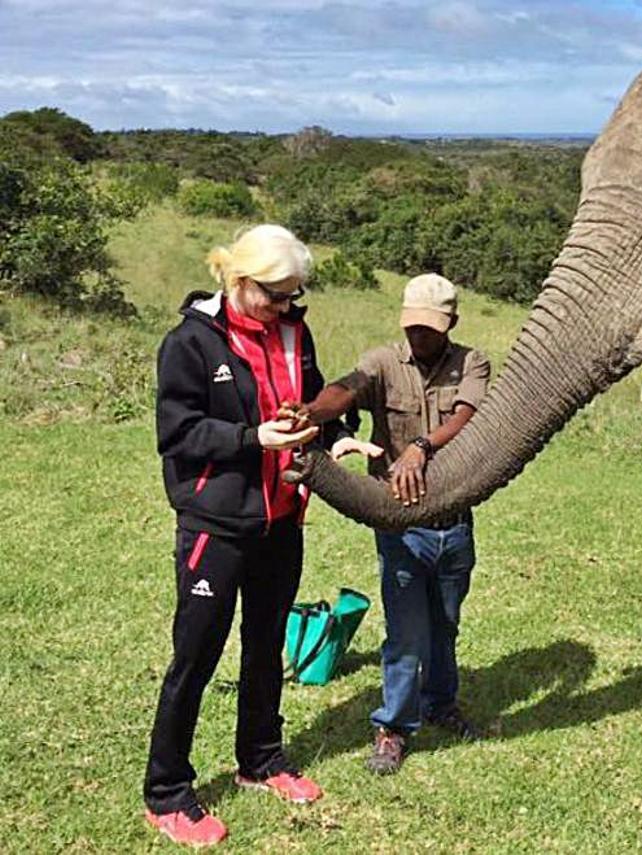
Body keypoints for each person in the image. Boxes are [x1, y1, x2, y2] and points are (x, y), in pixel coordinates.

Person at [144, 225, 349, 847]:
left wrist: (334, 432)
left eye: (294, 295)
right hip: (217, 525)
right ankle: (167, 792)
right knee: (197, 656)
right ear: (238, 282)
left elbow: (313, 401)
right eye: (276, 295)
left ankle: (261, 760)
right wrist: (250, 438)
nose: (288, 306)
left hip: (281, 519)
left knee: (266, 645)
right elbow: (177, 433)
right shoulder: (191, 343)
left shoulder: (293, 332)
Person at [297, 273, 490, 775]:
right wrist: (311, 415)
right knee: (406, 630)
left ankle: (441, 704)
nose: (418, 336)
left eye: (429, 328)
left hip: (453, 518)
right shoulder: (384, 361)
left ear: (451, 323)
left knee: (445, 624)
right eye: (412, 327)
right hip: (399, 522)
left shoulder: (472, 363)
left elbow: (468, 416)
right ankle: (393, 728)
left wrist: (420, 448)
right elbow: (346, 389)